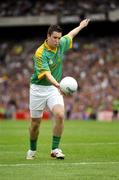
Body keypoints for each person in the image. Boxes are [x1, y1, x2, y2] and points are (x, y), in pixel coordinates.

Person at [26, 19, 90, 160]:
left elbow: (71, 35)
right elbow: (47, 74)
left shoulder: (61, 44)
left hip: (53, 89)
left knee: (60, 115)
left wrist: (80, 26)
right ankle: (32, 150)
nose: (57, 40)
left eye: (59, 38)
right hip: (38, 89)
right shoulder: (40, 53)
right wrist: (58, 85)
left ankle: (55, 149)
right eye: (54, 37)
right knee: (35, 124)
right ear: (48, 36)